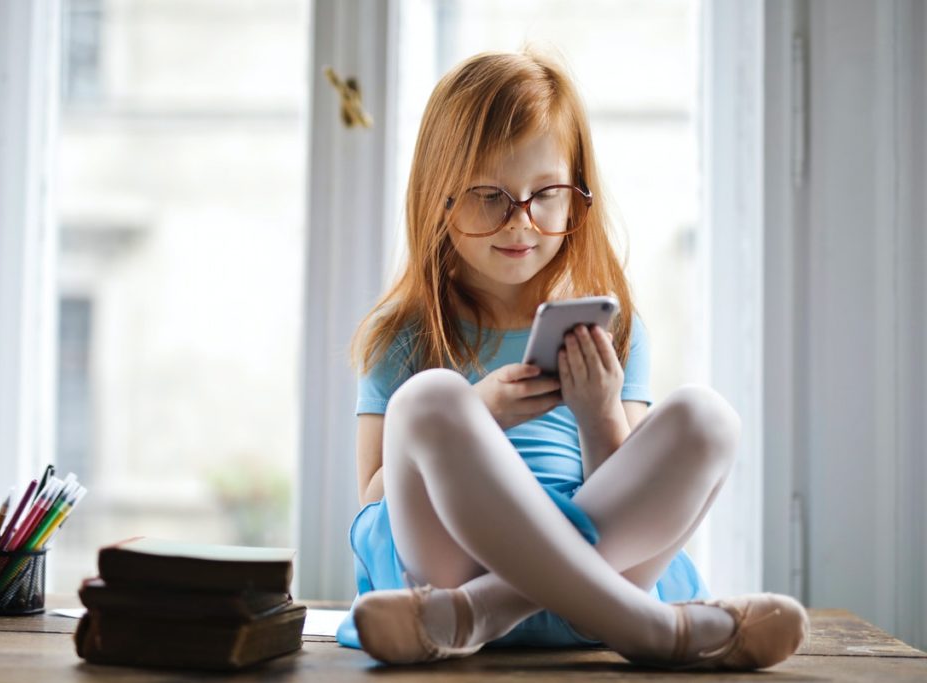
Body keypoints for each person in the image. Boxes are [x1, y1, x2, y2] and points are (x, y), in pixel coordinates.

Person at [334, 48, 808, 670]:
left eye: (544, 194)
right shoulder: (405, 335)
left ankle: (487, 610)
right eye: (490, 195)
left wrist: (600, 414)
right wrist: (478, 417)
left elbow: (628, 488)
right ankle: (653, 630)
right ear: (439, 198)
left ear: (576, 196)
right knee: (426, 400)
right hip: (451, 564)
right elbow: (375, 497)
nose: (520, 222)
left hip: (521, 590)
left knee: (708, 417)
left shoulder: (611, 331)